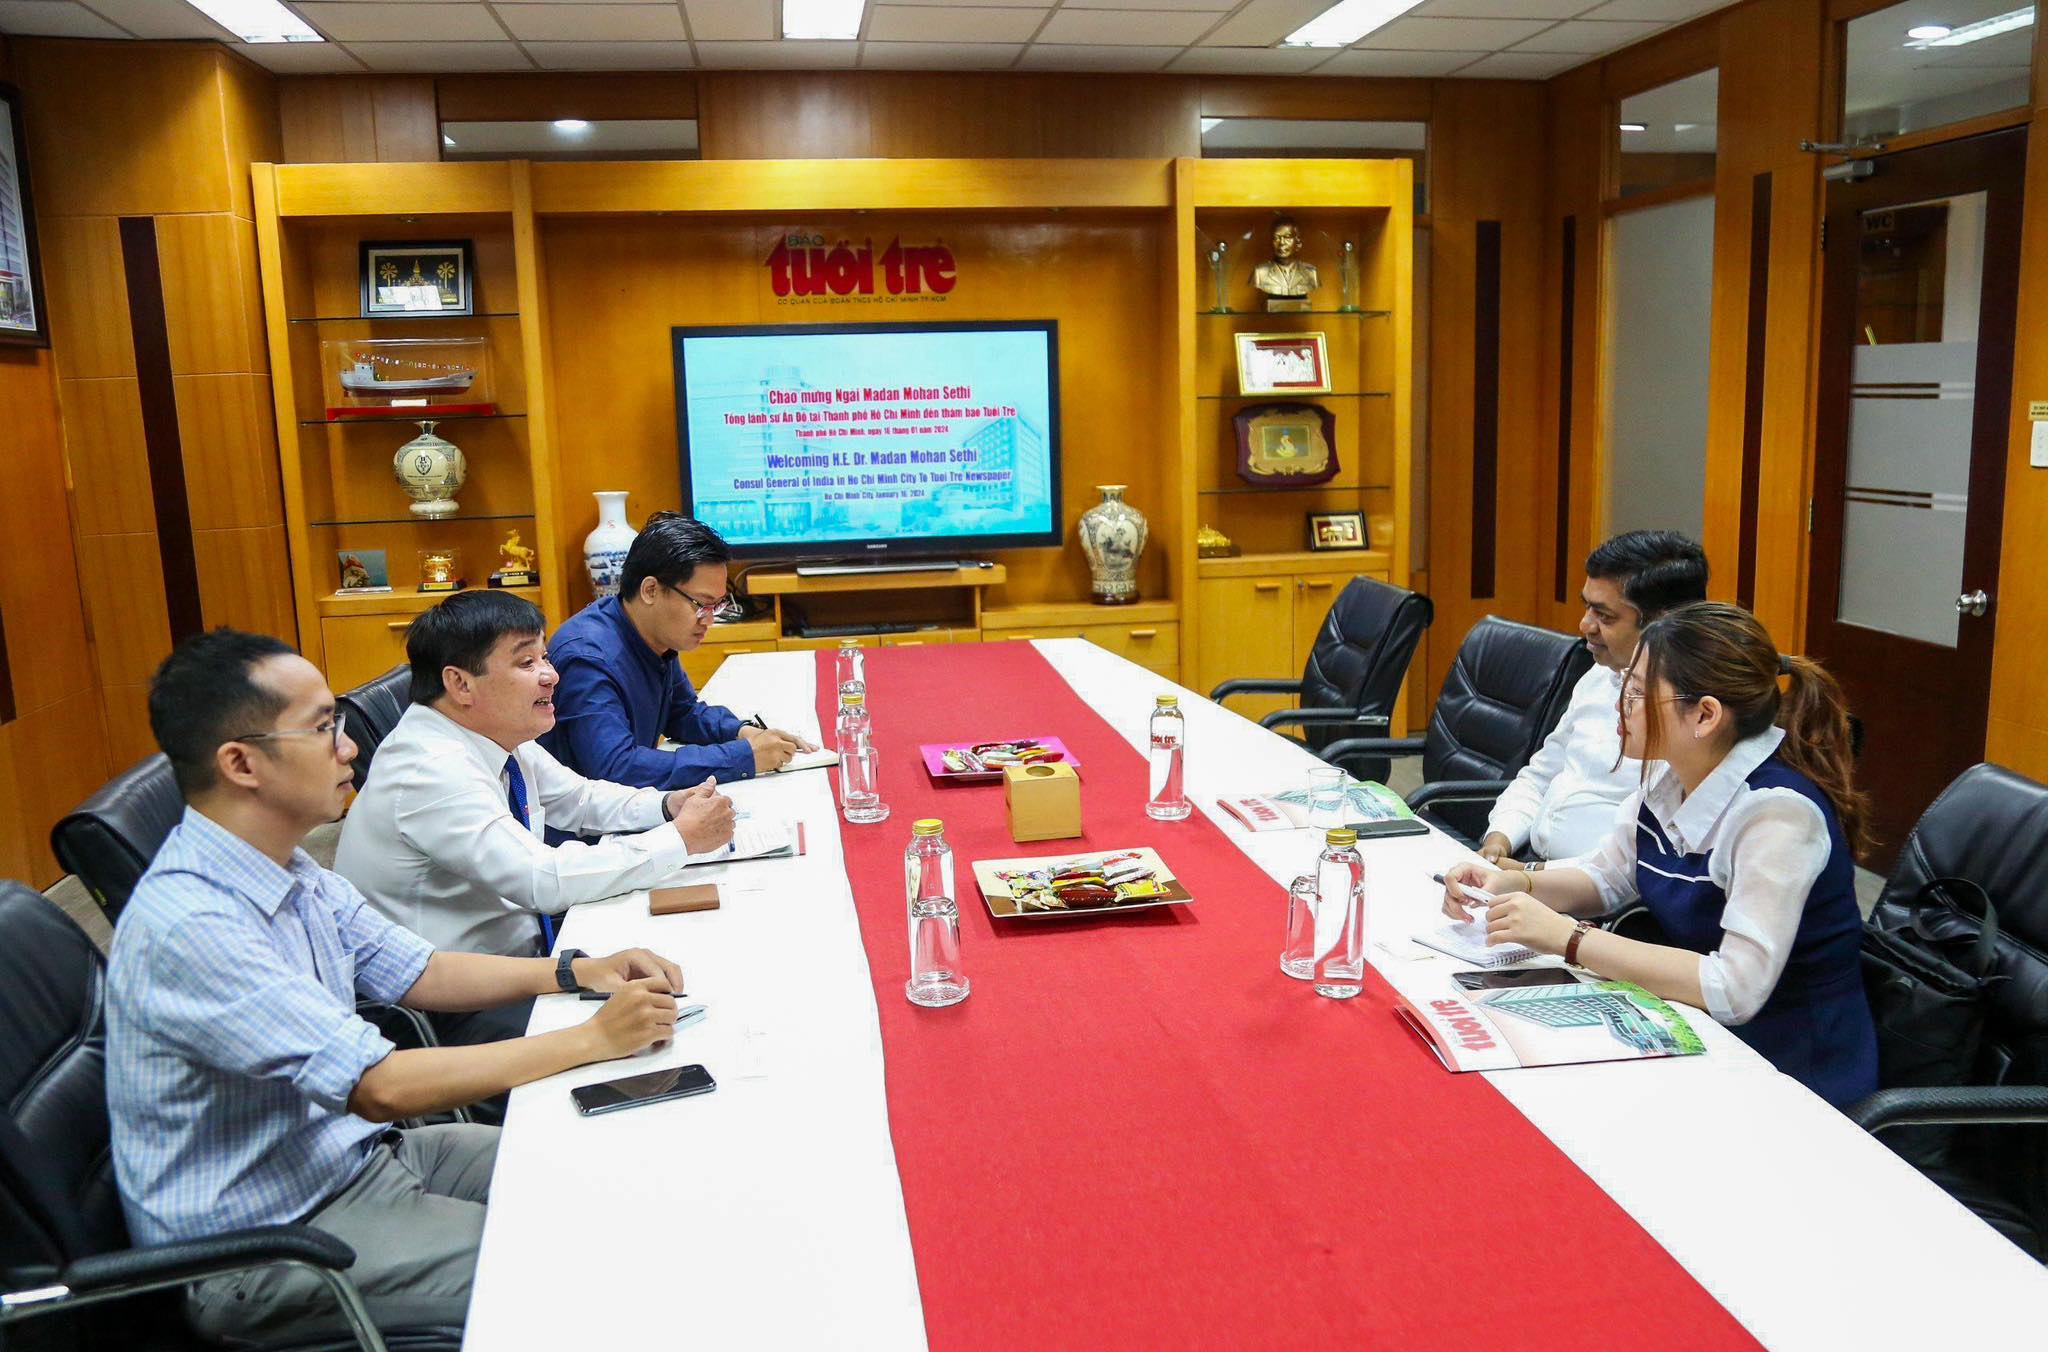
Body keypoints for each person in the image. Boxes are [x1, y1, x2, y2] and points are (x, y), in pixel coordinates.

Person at [106, 629, 687, 1344]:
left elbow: (423, 969)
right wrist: (592, 1037)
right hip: (274, 1241)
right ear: (241, 762)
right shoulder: (193, 924)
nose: (349, 748)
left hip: (359, 1158)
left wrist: (576, 971)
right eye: (323, 729)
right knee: (581, 1265)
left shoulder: (287, 868)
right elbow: (378, 1085)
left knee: (616, 1170)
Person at [1441, 602, 1878, 1107]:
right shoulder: (1675, 777)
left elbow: (1734, 989)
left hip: (1792, 1072)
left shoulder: (1777, 813)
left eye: (1637, 691)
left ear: (1705, 715)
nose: (1620, 705)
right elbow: (1606, 876)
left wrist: (1570, 939)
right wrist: (1516, 883)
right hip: (1697, 1034)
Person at [335, 589, 735, 1056]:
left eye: (544, 657)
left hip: (520, 965)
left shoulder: (490, 733)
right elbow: (541, 880)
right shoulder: (430, 768)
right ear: (461, 685)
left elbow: (579, 799)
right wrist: (679, 841)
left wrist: (668, 806)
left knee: (689, 970)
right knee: (667, 1034)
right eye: (527, 664)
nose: (551, 675)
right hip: (455, 1010)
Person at [1478, 530, 1709, 866]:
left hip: (1593, 901)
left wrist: (1530, 875)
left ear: (1664, 624)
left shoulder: (1687, 713)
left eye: (1605, 616)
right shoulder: (1599, 677)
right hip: (1530, 866)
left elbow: (1644, 862)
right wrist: (1499, 840)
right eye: (1587, 607)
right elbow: (1540, 776)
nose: (1585, 625)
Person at [543, 512, 816, 789]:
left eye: (717, 605)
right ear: (650, 590)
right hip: (582, 828)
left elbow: (682, 712)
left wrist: (742, 732)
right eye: (701, 604)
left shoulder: (652, 633)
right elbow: (616, 766)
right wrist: (743, 757)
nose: (709, 619)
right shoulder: (587, 657)